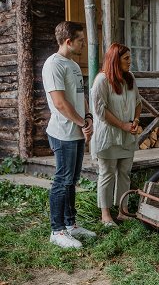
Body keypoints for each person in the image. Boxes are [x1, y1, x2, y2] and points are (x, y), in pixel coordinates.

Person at [42, 21, 96, 248]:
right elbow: (60, 103)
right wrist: (82, 123)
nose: (83, 44)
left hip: (76, 132)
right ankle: (57, 231)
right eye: (80, 41)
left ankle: (70, 224)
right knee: (62, 181)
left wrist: (89, 117)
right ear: (68, 41)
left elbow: (80, 96)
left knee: (72, 181)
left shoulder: (73, 64)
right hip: (62, 133)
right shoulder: (53, 65)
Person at [91, 43, 142, 226]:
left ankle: (123, 211)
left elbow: (138, 102)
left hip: (128, 135)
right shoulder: (102, 81)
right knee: (107, 173)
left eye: (130, 57)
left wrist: (135, 122)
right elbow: (99, 111)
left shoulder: (130, 79)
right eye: (126, 58)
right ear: (115, 60)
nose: (130, 61)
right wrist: (122, 125)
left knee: (125, 173)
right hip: (109, 136)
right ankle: (105, 214)